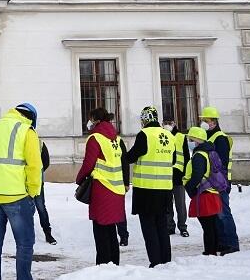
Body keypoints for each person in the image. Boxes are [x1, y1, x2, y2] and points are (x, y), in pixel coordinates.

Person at [0, 103, 42, 280]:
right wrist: (33, 191)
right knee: (25, 243)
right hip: (17, 196)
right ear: (31, 118)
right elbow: (35, 166)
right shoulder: (27, 131)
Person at [123, 106, 175, 268]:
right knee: (162, 225)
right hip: (165, 189)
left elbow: (131, 157)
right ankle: (166, 259)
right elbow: (172, 160)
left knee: (149, 227)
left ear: (144, 119)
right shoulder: (168, 135)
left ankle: (155, 260)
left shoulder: (144, 135)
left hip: (146, 190)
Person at [76, 107, 128, 266]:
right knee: (111, 229)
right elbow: (124, 162)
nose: (89, 122)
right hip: (117, 189)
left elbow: (88, 163)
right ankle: (114, 264)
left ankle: (103, 266)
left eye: (90, 119)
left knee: (100, 230)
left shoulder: (95, 138)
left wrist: (79, 179)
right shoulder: (117, 139)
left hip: (102, 188)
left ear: (96, 120)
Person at [183, 126, 229, 256]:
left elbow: (197, 175)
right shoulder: (208, 151)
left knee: (207, 226)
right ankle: (212, 250)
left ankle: (210, 251)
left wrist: (190, 187)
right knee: (211, 225)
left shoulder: (198, 156)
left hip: (203, 193)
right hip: (212, 192)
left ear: (197, 140)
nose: (189, 142)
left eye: (191, 139)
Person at [200, 106, 240, 255]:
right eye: (203, 120)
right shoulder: (210, 137)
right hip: (213, 182)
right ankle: (222, 243)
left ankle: (231, 243)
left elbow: (220, 162)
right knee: (216, 213)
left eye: (206, 120)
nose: (204, 123)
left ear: (213, 122)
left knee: (223, 213)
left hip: (220, 182)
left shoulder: (220, 138)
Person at [163, 120, 191, 237]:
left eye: (169, 123)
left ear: (174, 123)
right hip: (166, 175)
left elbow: (186, 156)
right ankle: (170, 226)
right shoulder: (162, 136)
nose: (166, 125)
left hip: (179, 176)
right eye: (164, 123)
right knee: (167, 203)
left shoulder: (181, 136)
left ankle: (183, 227)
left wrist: (186, 174)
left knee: (180, 204)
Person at [34, 140, 57, 244]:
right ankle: (47, 234)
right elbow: (46, 162)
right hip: (30, 181)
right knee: (39, 208)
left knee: (39, 208)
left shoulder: (39, 143)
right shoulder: (39, 142)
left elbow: (45, 162)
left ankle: (47, 233)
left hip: (33, 181)